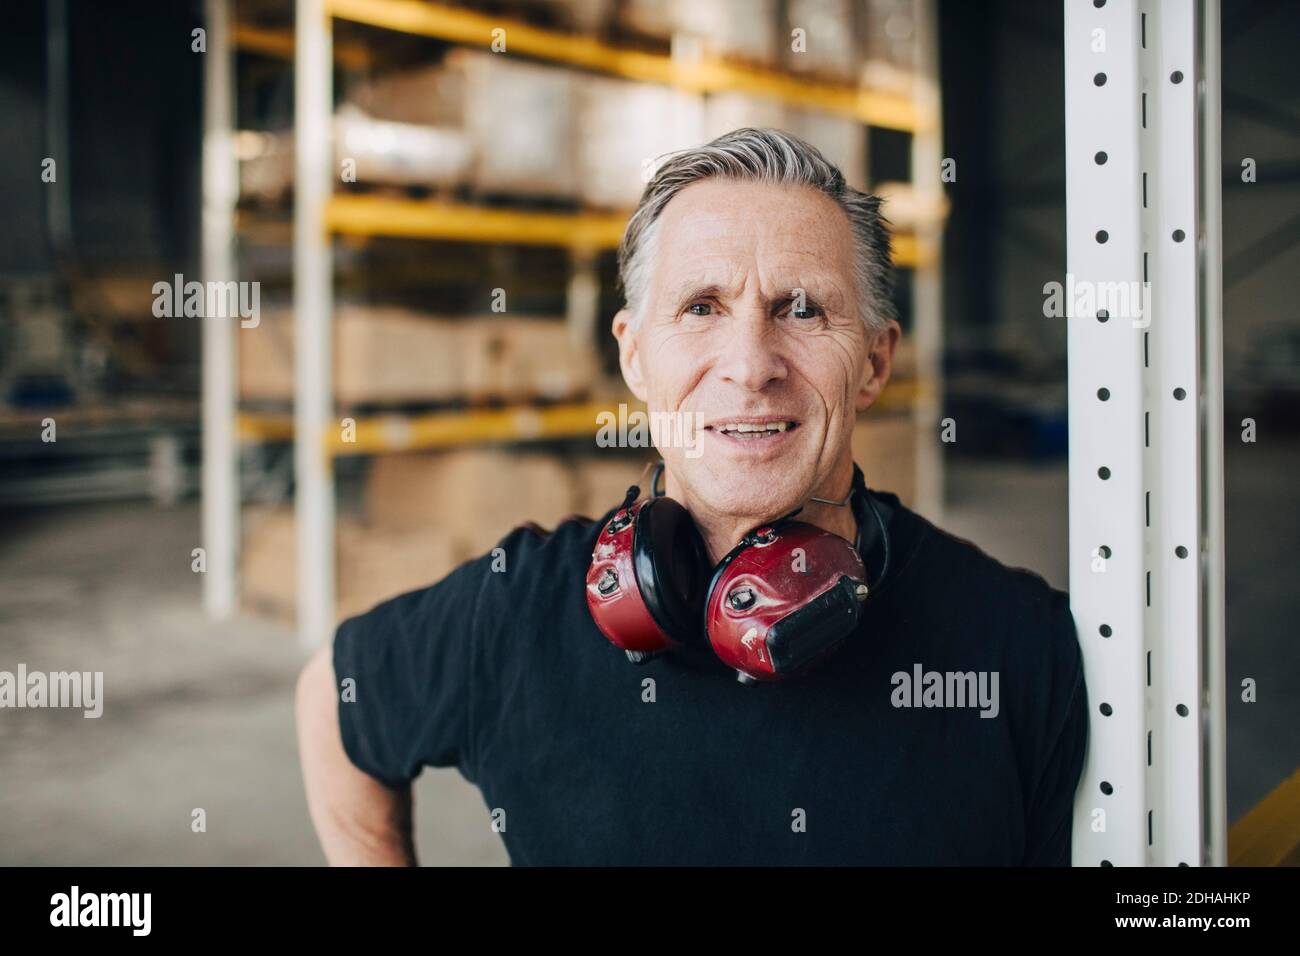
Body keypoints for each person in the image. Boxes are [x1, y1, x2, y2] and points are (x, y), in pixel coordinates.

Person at [296, 127, 1088, 866]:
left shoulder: (1018, 647)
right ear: (636, 359)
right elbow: (332, 700)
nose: (750, 364)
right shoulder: (515, 610)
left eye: (801, 309)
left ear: (876, 363)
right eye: (701, 307)